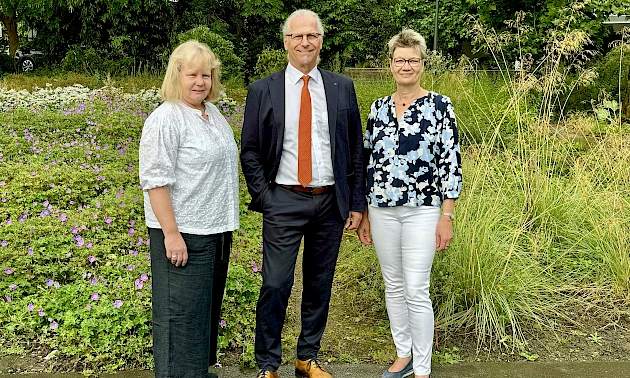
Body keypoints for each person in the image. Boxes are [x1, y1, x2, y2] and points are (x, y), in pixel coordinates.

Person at [240, 9, 365, 378]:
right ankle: (267, 363)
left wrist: (356, 203)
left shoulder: (342, 86)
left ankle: (306, 357)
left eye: (312, 36)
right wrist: (265, 196)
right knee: (276, 283)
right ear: (286, 42)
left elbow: (356, 148)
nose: (305, 42)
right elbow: (249, 150)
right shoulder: (263, 89)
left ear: (321, 41)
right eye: (297, 36)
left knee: (319, 283)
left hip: (330, 201)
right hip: (284, 199)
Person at [356, 29, 462, 378]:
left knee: (416, 287)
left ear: (422, 64)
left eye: (412, 60)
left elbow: (450, 161)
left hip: (423, 210)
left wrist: (447, 214)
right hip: (382, 210)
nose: (406, 65)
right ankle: (404, 355)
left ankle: (423, 367)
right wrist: (366, 213)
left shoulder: (440, 106)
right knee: (394, 284)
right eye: (400, 60)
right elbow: (368, 161)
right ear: (390, 65)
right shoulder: (378, 108)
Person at [139, 40, 239, 378]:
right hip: (184, 235)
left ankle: (197, 372)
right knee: (179, 318)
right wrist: (171, 234)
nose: (200, 82)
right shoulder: (166, 118)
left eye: (206, 75)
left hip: (214, 231)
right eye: (192, 74)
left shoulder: (211, 114)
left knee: (202, 314)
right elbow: (155, 181)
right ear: (176, 76)